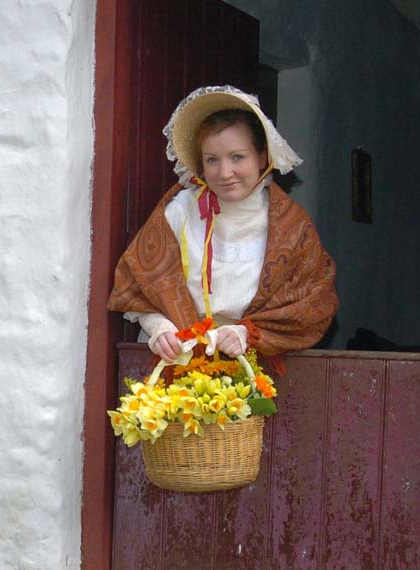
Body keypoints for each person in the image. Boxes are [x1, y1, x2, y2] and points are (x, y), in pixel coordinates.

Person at [108, 85, 338, 362]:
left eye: (237, 157)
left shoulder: (291, 226)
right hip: (174, 362)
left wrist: (246, 332)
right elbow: (136, 285)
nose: (225, 172)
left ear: (262, 156)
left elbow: (315, 303)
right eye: (212, 160)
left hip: (254, 366)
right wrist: (159, 327)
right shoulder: (179, 212)